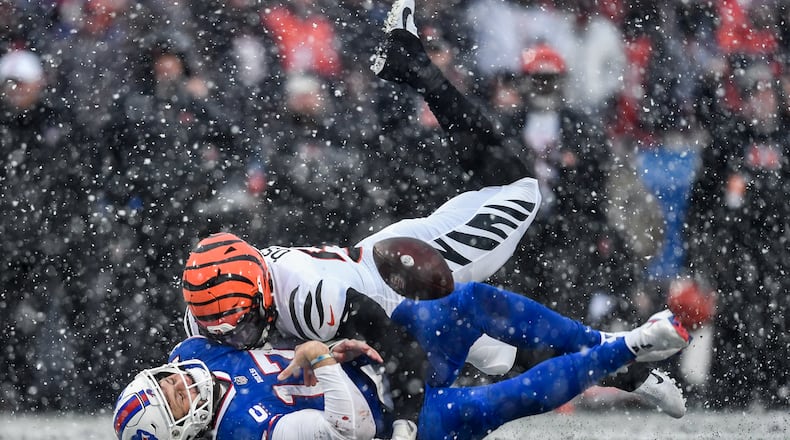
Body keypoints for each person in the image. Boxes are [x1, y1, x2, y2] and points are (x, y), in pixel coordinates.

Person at [179, 0, 686, 425]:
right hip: (377, 309)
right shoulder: (209, 314)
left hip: (396, 282)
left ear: (264, 292)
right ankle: (630, 367)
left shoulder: (309, 296)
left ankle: (621, 352)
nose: (241, 338)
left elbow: (397, 346)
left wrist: (402, 425)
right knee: (500, 356)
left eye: (244, 326)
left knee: (519, 190)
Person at [113, 281, 690, 440]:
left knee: (469, 302)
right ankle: (630, 348)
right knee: (506, 400)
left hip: (379, 366)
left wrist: (330, 351)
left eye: (164, 381)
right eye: (176, 399)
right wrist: (324, 360)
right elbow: (350, 428)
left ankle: (626, 361)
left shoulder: (193, 354)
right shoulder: (242, 430)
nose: (179, 383)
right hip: (396, 427)